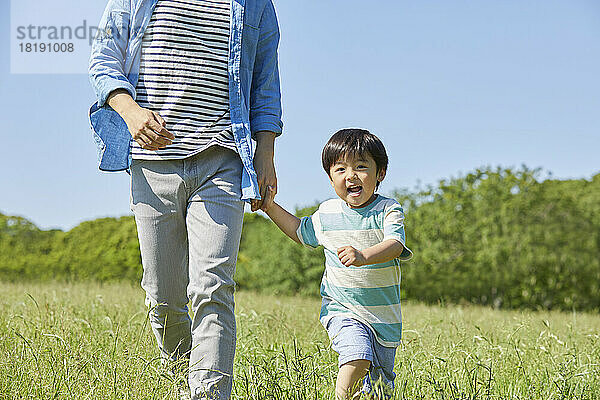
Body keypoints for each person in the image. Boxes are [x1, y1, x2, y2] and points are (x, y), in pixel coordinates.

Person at [88, 1, 282, 399]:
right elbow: (104, 58)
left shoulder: (255, 4)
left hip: (223, 159)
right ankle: (178, 377)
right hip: (152, 163)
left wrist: (265, 157)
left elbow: (265, 83)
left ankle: (207, 394)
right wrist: (131, 112)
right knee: (162, 295)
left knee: (213, 285)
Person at [261, 129, 413, 399]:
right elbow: (299, 231)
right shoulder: (328, 213)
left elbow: (395, 244)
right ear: (331, 178)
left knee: (378, 390)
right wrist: (269, 207)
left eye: (361, 166)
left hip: (384, 319)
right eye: (340, 168)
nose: (351, 175)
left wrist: (364, 255)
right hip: (342, 309)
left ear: (380, 174)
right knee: (357, 357)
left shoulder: (388, 209)